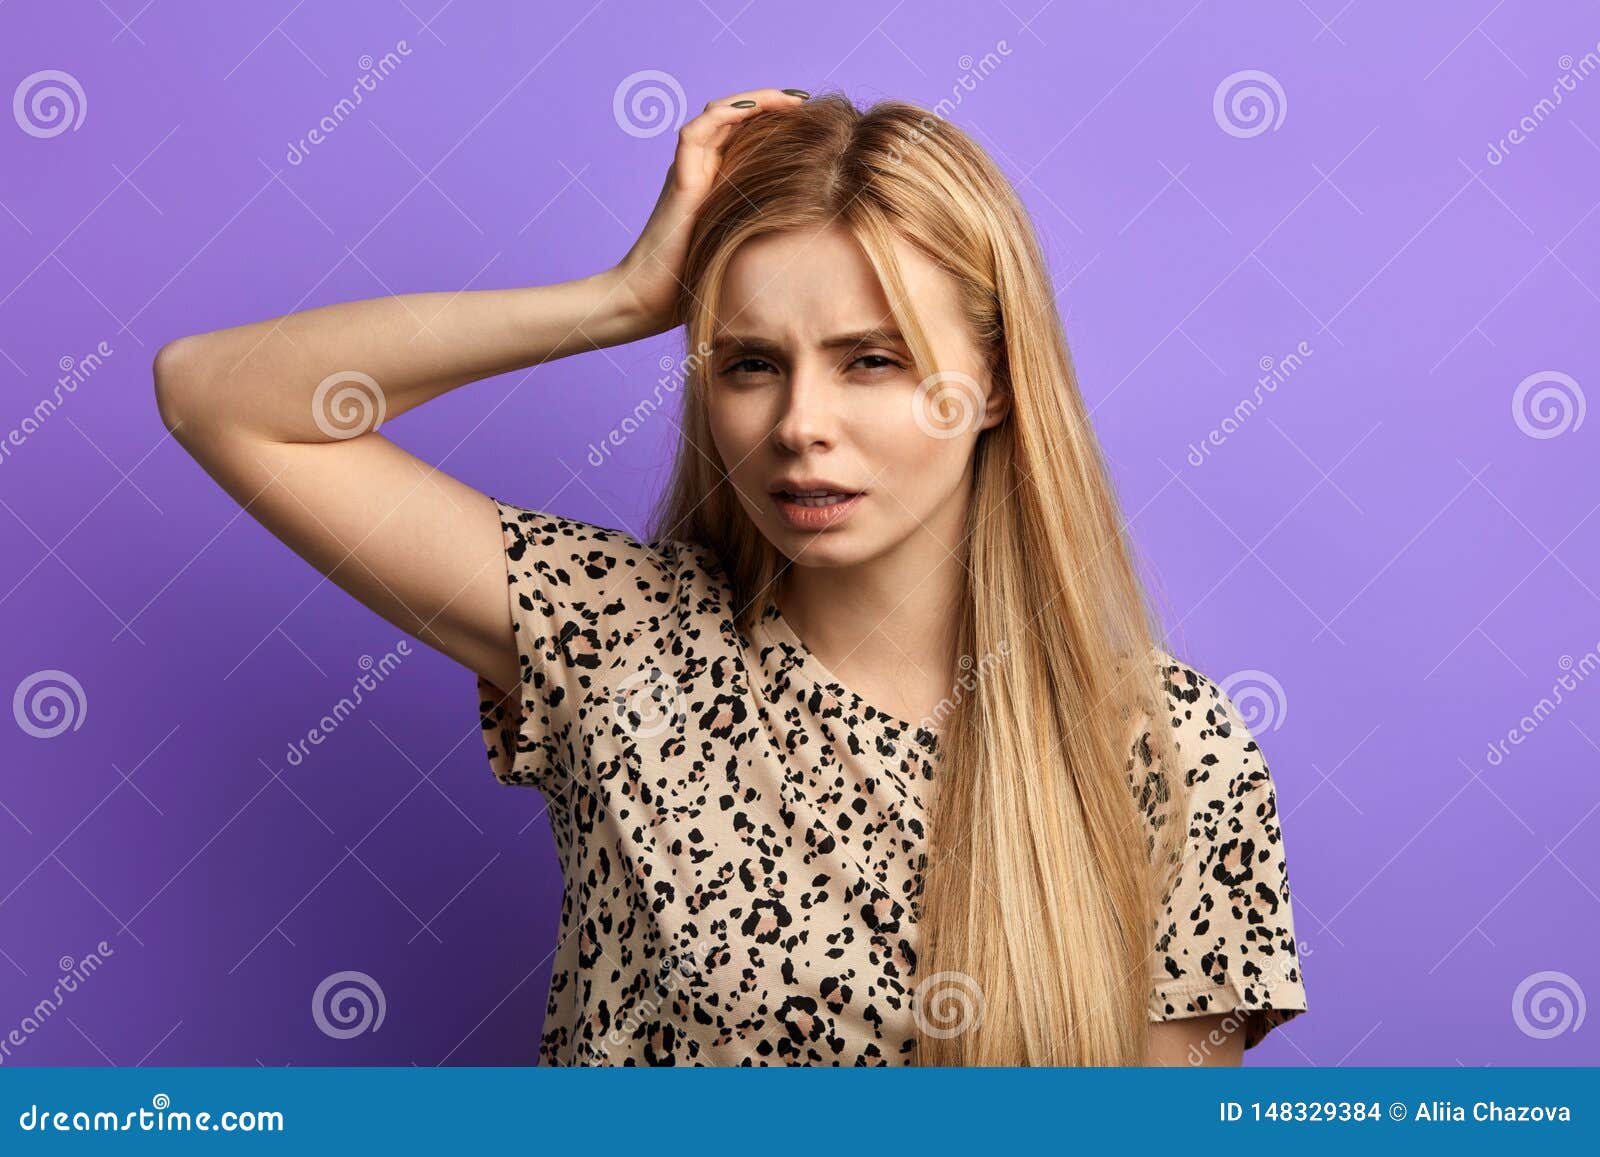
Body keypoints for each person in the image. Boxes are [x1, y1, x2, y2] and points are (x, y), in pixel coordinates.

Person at [152, 87, 1308, 1066]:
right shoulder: (615, 635)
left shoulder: (1165, 746)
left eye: (872, 361)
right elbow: (219, 397)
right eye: (752, 362)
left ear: (994, 385)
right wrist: (617, 300)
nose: (801, 424)